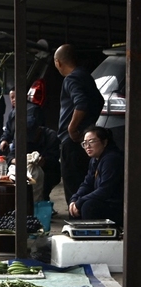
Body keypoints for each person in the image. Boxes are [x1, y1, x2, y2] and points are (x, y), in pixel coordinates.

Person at [54, 44, 105, 206]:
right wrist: (89, 126)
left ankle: (76, 222)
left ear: (58, 62)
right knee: (85, 184)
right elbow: (99, 101)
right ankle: (85, 221)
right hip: (85, 141)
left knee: (73, 186)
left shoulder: (71, 78)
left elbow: (81, 103)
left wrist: (72, 128)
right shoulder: (85, 76)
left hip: (72, 141)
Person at [69, 126, 124, 225]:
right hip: (105, 201)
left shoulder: (111, 159)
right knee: (74, 207)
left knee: (88, 206)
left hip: (117, 205)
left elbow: (105, 190)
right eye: (85, 143)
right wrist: (75, 199)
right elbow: (87, 184)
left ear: (104, 142)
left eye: (92, 141)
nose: (87, 146)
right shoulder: (95, 159)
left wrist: (80, 202)